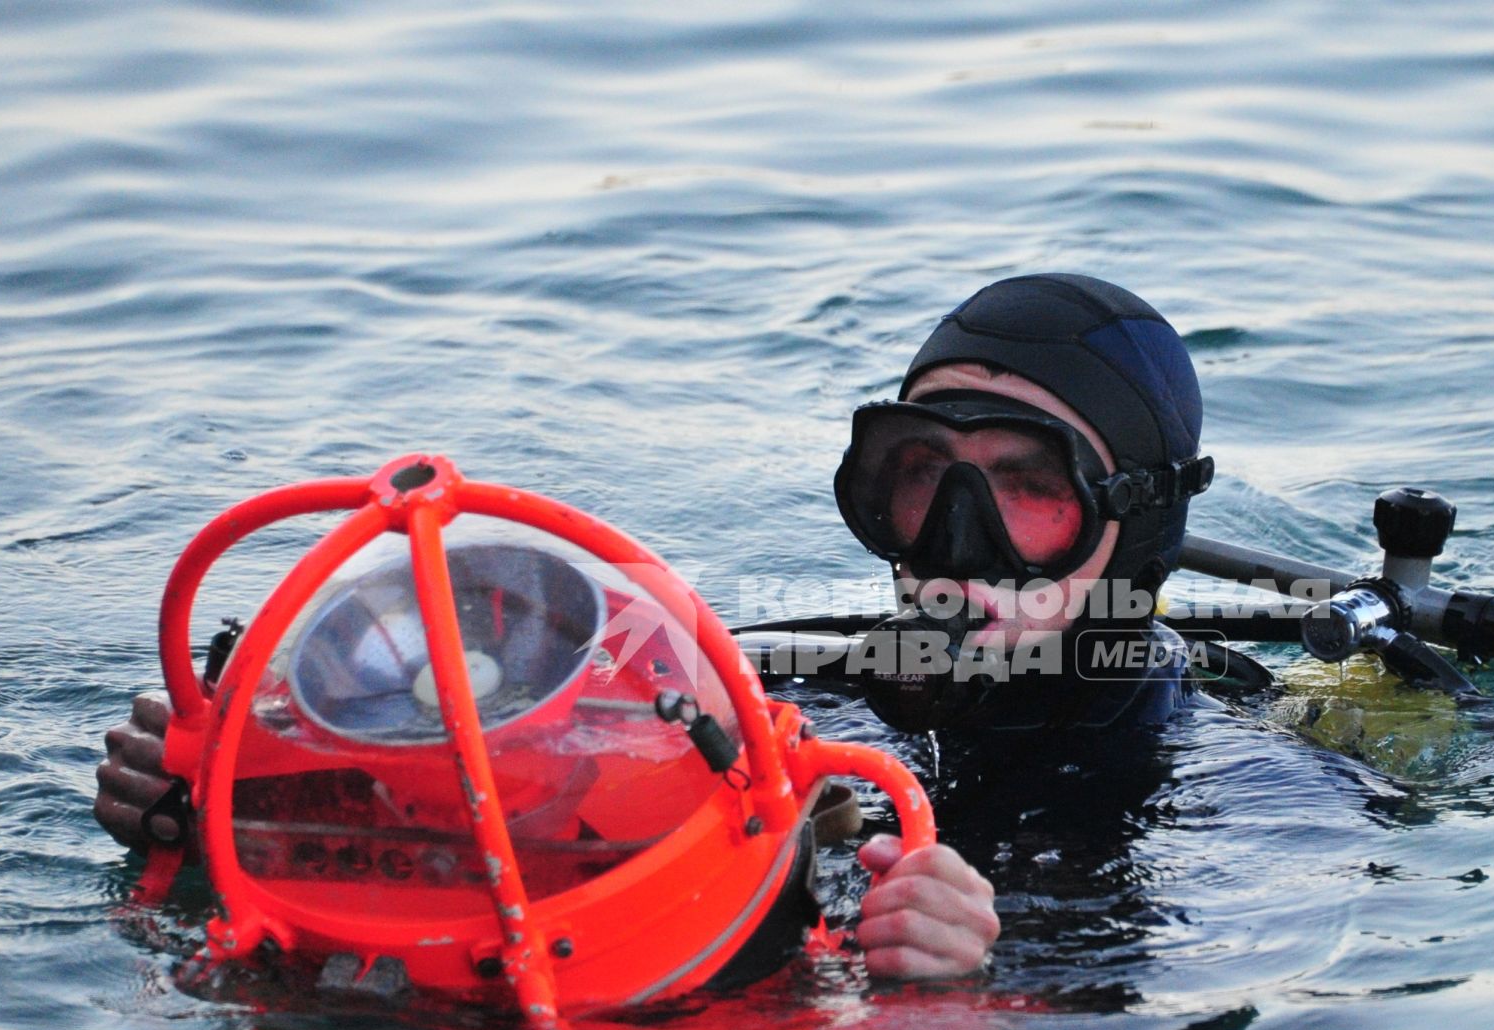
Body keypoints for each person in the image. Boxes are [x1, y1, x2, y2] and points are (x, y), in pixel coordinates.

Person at [96, 273, 1213, 985]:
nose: (956, 540)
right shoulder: (759, 690)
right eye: (924, 477)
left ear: (1138, 521)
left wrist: (991, 962)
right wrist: (242, 798)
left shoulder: (1235, 784)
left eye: (1028, 486)